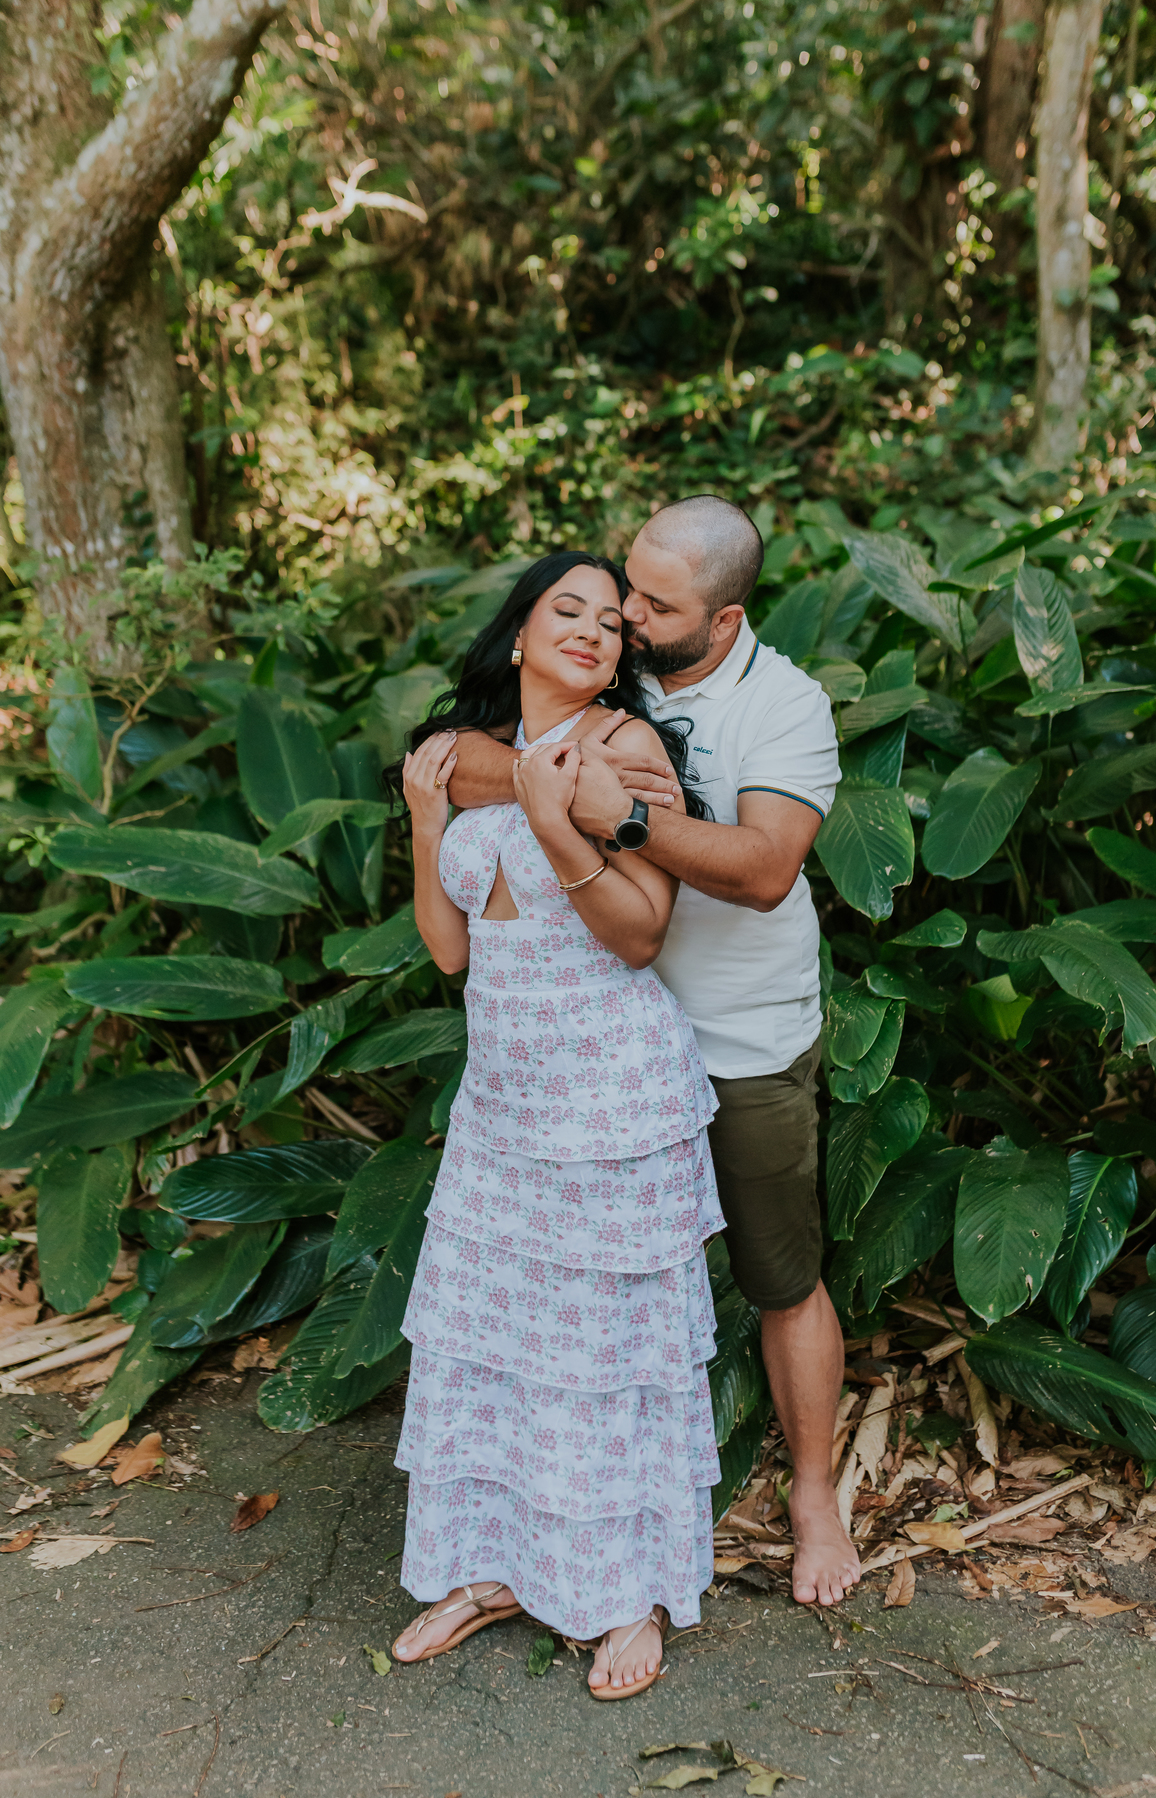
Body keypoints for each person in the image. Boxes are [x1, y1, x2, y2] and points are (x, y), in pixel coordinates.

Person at [447, 496, 857, 1608]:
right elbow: (456, 757)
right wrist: (548, 777)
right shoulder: (612, 669)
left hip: (739, 1035)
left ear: (722, 622)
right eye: (625, 587)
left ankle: (814, 1497)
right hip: (600, 1048)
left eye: (653, 604)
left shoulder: (784, 704)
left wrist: (619, 814)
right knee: (580, 1297)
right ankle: (563, 1515)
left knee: (780, 1276)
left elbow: (765, 868)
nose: (625, 614)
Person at [386, 550, 725, 1696]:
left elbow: (639, 935)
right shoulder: (465, 752)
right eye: (564, 611)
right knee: (496, 1347)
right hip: (503, 1111)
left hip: (611, 1099)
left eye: (610, 622)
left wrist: (557, 820)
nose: (591, 630)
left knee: (606, 1358)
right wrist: (427, 821)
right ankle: (491, 1569)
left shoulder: (626, 750)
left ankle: (632, 1596)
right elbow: (450, 950)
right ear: (521, 634)